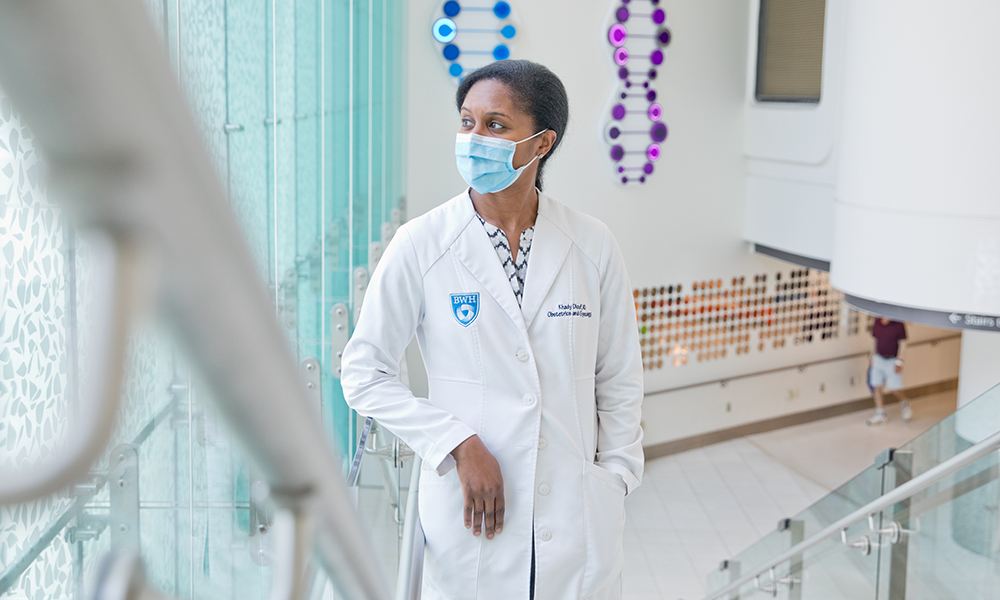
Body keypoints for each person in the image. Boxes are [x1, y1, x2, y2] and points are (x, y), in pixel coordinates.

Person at [340, 60, 644, 600]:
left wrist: (616, 479)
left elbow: (618, 379)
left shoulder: (593, 246)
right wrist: (456, 443)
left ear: (541, 143)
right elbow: (363, 373)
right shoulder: (422, 244)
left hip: (576, 518)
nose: (474, 138)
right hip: (471, 520)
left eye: (496, 125)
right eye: (467, 122)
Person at [867, 317, 910, 426]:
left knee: (894, 388)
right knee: (876, 386)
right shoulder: (877, 322)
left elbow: (903, 343)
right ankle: (880, 413)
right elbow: (874, 340)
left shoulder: (898, 324)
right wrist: (871, 357)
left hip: (892, 360)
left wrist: (900, 361)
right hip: (878, 358)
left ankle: (904, 402)